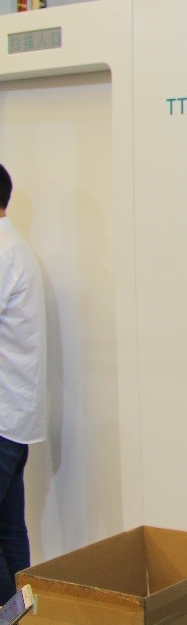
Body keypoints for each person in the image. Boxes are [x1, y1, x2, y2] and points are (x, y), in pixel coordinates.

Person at [0, 163, 46, 601]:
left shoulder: (2, 251)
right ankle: (21, 617)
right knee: (10, 530)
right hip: (14, 419)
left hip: (2, 419)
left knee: (8, 531)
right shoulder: (16, 247)